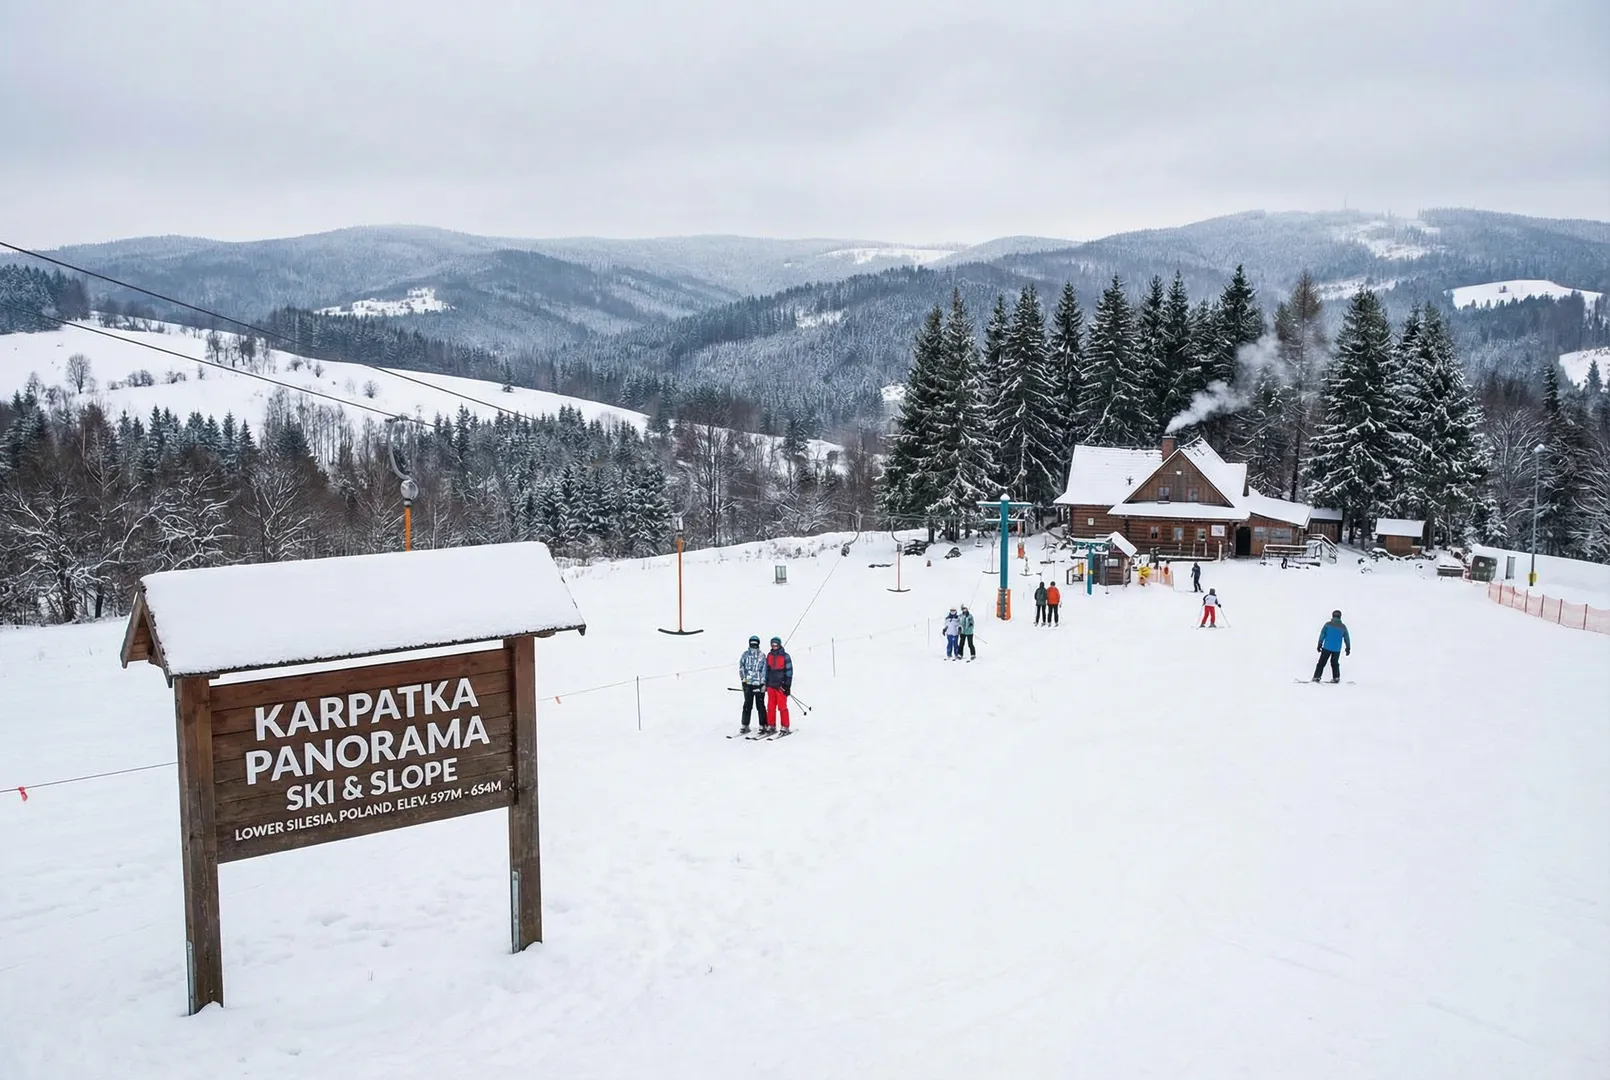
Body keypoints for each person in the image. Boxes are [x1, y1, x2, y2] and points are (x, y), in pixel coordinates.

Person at [763, 636, 793, 734]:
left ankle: (785, 726)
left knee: (782, 706)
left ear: (779, 645)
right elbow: (766, 670)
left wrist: (787, 686)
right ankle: (771, 725)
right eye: (772, 644)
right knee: (770, 707)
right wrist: (766, 683)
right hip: (771, 685)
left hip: (781, 686)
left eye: (776, 644)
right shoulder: (769, 655)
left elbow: (789, 672)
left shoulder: (785, 656)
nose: (774, 646)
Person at [737, 634, 766, 734]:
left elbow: (764, 671)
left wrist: (763, 684)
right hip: (748, 684)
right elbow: (741, 668)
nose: (754, 646)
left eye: (755, 644)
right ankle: (745, 724)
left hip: (758, 684)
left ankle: (763, 725)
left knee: (760, 705)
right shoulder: (745, 655)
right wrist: (743, 681)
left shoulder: (762, 656)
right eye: (752, 644)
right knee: (747, 705)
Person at [1313, 610, 1351, 683]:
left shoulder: (1327, 624)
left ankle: (1316, 677)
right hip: (1337, 649)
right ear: (1340, 617)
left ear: (1333, 616)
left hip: (1327, 647)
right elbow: (1347, 638)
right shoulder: (1343, 627)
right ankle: (1336, 678)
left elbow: (1322, 634)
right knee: (1334, 663)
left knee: (1321, 663)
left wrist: (1319, 644)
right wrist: (1348, 648)